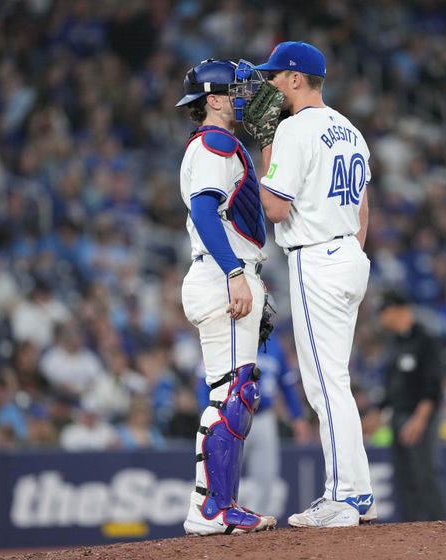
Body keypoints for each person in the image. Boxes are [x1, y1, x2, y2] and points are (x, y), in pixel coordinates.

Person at [250, 41, 375, 528]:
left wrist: (266, 149)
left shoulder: (294, 131)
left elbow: (276, 208)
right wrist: (352, 250)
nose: (271, 85)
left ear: (297, 79)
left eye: (276, 76)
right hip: (348, 255)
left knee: (325, 385)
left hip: (317, 259)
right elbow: (363, 206)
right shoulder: (350, 129)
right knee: (335, 380)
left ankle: (345, 497)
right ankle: (357, 492)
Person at [175, 58, 275, 535]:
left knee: (230, 392)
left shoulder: (218, 143)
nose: (244, 93)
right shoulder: (215, 142)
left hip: (223, 274)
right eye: (234, 88)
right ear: (212, 100)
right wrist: (235, 271)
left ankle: (209, 507)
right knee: (235, 393)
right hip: (220, 276)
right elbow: (203, 211)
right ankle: (215, 508)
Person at [196, 333, 312, 517]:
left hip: (264, 417)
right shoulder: (227, 337)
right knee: (224, 472)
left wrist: (297, 417)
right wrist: (208, 414)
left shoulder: (274, 346)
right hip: (229, 417)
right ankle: (222, 516)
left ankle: (258, 527)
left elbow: (287, 384)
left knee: (266, 476)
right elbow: (204, 381)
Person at [375, 290, 446, 521]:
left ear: (399, 310)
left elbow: (433, 387)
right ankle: (412, 532)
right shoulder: (395, 344)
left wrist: (419, 421)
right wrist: (376, 414)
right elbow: (391, 389)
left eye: (385, 312)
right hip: (398, 416)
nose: (382, 318)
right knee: (404, 477)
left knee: (424, 474)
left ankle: (444, 527)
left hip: (420, 417)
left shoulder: (426, 341)